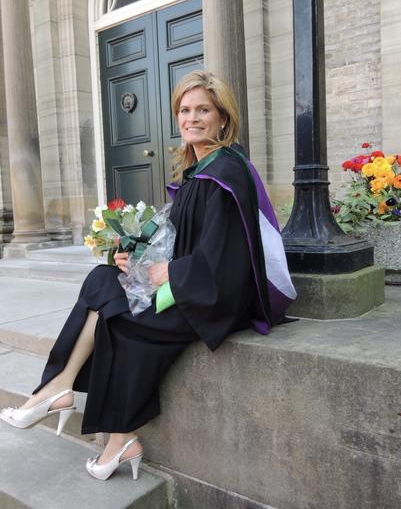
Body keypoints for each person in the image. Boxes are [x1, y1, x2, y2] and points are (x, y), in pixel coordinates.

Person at [0, 70, 296, 481]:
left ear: (223, 118)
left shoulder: (227, 174)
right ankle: (63, 387)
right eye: (184, 110)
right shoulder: (198, 170)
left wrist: (170, 271)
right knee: (102, 279)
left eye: (203, 110)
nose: (191, 118)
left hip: (214, 298)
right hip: (186, 284)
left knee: (119, 321)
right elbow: (180, 239)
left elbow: (225, 259)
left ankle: (114, 435)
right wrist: (135, 256)